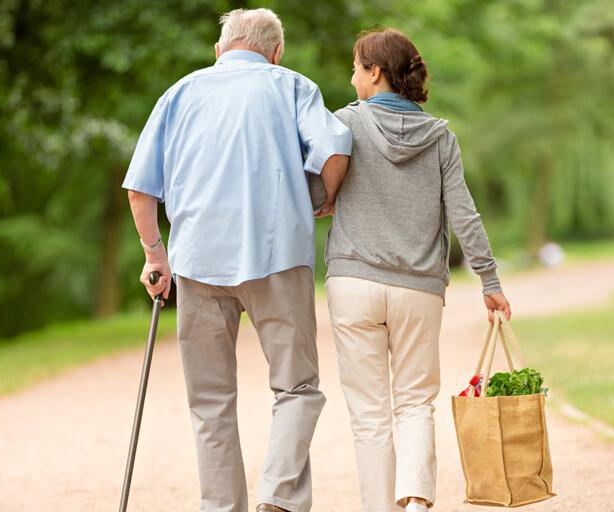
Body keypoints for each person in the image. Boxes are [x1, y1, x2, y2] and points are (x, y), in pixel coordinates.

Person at [121, 8, 351, 512]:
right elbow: (337, 146)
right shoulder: (292, 85)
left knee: (210, 404)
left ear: (220, 49)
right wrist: (323, 198)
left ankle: (223, 508)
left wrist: (155, 256)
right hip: (278, 257)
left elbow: (141, 188)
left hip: (198, 261)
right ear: (275, 51)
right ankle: (280, 498)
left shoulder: (179, 93)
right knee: (297, 388)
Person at [320, 28, 511, 512]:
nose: (352, 76)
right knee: (414, 403)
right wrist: (489, 281)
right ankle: (417, 501)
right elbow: (464, 214)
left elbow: (318, 194)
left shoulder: (343, 125)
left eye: (357, 67)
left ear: (376, 73)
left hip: (353, 282)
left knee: (369, 415)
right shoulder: (440, 136)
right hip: (419, 290)